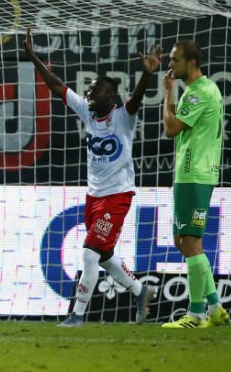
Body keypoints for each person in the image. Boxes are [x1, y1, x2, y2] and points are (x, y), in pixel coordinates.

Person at [23, 27, 157, 327]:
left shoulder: (123, 116)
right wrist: (33, 58)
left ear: (110, 96)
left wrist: (147, 75)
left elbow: (134, 100)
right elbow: (58, 87)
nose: (88, 94)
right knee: (105, 254)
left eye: (94, 90)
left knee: (89, 253)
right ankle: (140, 290)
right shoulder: (87, 112)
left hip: (118, 196)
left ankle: (77, 315)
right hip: (93, 196)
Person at [160, 40, 229, 329]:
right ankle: (215, 307)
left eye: (175, 60)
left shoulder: (196, 93)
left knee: (189, 242)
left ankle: (197, 314)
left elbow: (170, 129)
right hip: (200, 173)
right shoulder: (209, 89)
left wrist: (167, 94)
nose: (170, 65)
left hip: (193, 174)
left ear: (192, 63)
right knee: (184, 241)